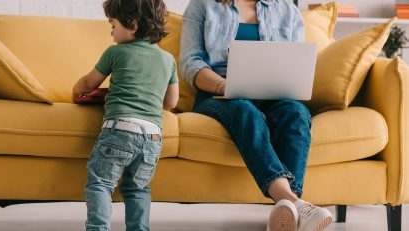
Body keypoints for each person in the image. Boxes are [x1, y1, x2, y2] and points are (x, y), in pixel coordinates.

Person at [179, 0, 332, 230]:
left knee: (297, 113)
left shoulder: (287, 10)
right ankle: (297, 204)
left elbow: (297, 63)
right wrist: (225, 85)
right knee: (245, 110)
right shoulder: (202, 5)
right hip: (218, 96)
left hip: (274, 95)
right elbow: (190, 63)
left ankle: (286, 213)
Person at [73, 0, 179, 230]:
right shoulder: (168, 60)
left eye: (113, 26)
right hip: (153, 138)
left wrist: (75, 89)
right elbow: (171, 103)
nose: (111, 33)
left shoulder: (115, 52)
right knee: (137, 189)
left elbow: (88, 83)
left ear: (131, 23)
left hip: (119, 130)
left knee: (101, 183)